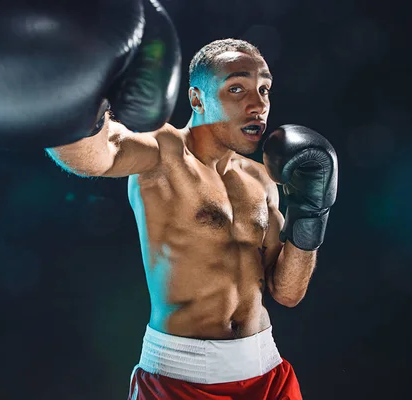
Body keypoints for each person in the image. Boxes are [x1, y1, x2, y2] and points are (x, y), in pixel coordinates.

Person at [47, 38, 338, 400]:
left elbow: (288, 292)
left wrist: (312, 212)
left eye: (264, 89)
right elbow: (93, 156)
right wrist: (69, 96)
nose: (258, 104)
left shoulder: (261, 178)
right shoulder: (163, 152)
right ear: (197, 98)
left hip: (266, 372)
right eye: (237, 88)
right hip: (181, 379)